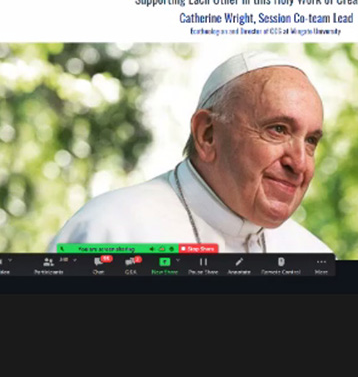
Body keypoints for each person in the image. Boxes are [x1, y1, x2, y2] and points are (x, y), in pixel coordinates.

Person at [48, 52, 334, 253]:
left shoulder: (312, 255)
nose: (299, 164)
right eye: (278, 129)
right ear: (207, 134)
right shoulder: (110, 230)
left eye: (311, 141)